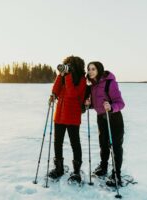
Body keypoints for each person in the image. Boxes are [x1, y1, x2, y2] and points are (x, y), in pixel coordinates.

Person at [84, 61, 125, 187]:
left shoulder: (109, 83)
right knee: (103, 144)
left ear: (99, 70)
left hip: (113, 118)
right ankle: (103, 167)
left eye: (93, 69)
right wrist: (89, 104)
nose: (90, 71)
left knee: (116, 147)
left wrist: (111, 107)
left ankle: (116, 175)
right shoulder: (93, 86)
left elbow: (121, 103)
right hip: (101, 118)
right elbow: (97, 104)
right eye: (89, 69)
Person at [48, 55, 87, 184]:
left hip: (72, 116)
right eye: (67, 64)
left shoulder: (81, 80)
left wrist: (68, 76)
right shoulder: (64, 77)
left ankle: (76, 171)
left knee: (75, 143)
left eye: (71, 66)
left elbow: (71, 94)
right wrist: (61, 76)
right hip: (59, 115)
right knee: (57, 142)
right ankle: (58, 168)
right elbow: (57, 90)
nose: (68, 67)